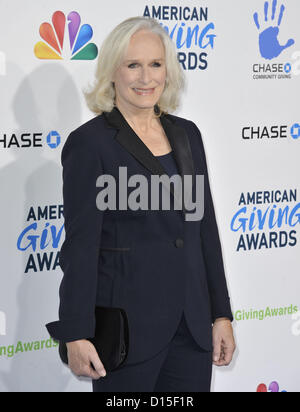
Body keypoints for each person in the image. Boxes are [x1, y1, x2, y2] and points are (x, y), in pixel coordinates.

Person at [46, 16, 235, 392]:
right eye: (133, 65)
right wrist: (76, 332)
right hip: (128, 336)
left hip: (192, 331)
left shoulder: (188, 135)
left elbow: (205, 233)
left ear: (168, 70)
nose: (146, 78)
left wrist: (220, 313)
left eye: (155, 64)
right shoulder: (92, 144)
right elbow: (81, 247)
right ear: (112, 72)